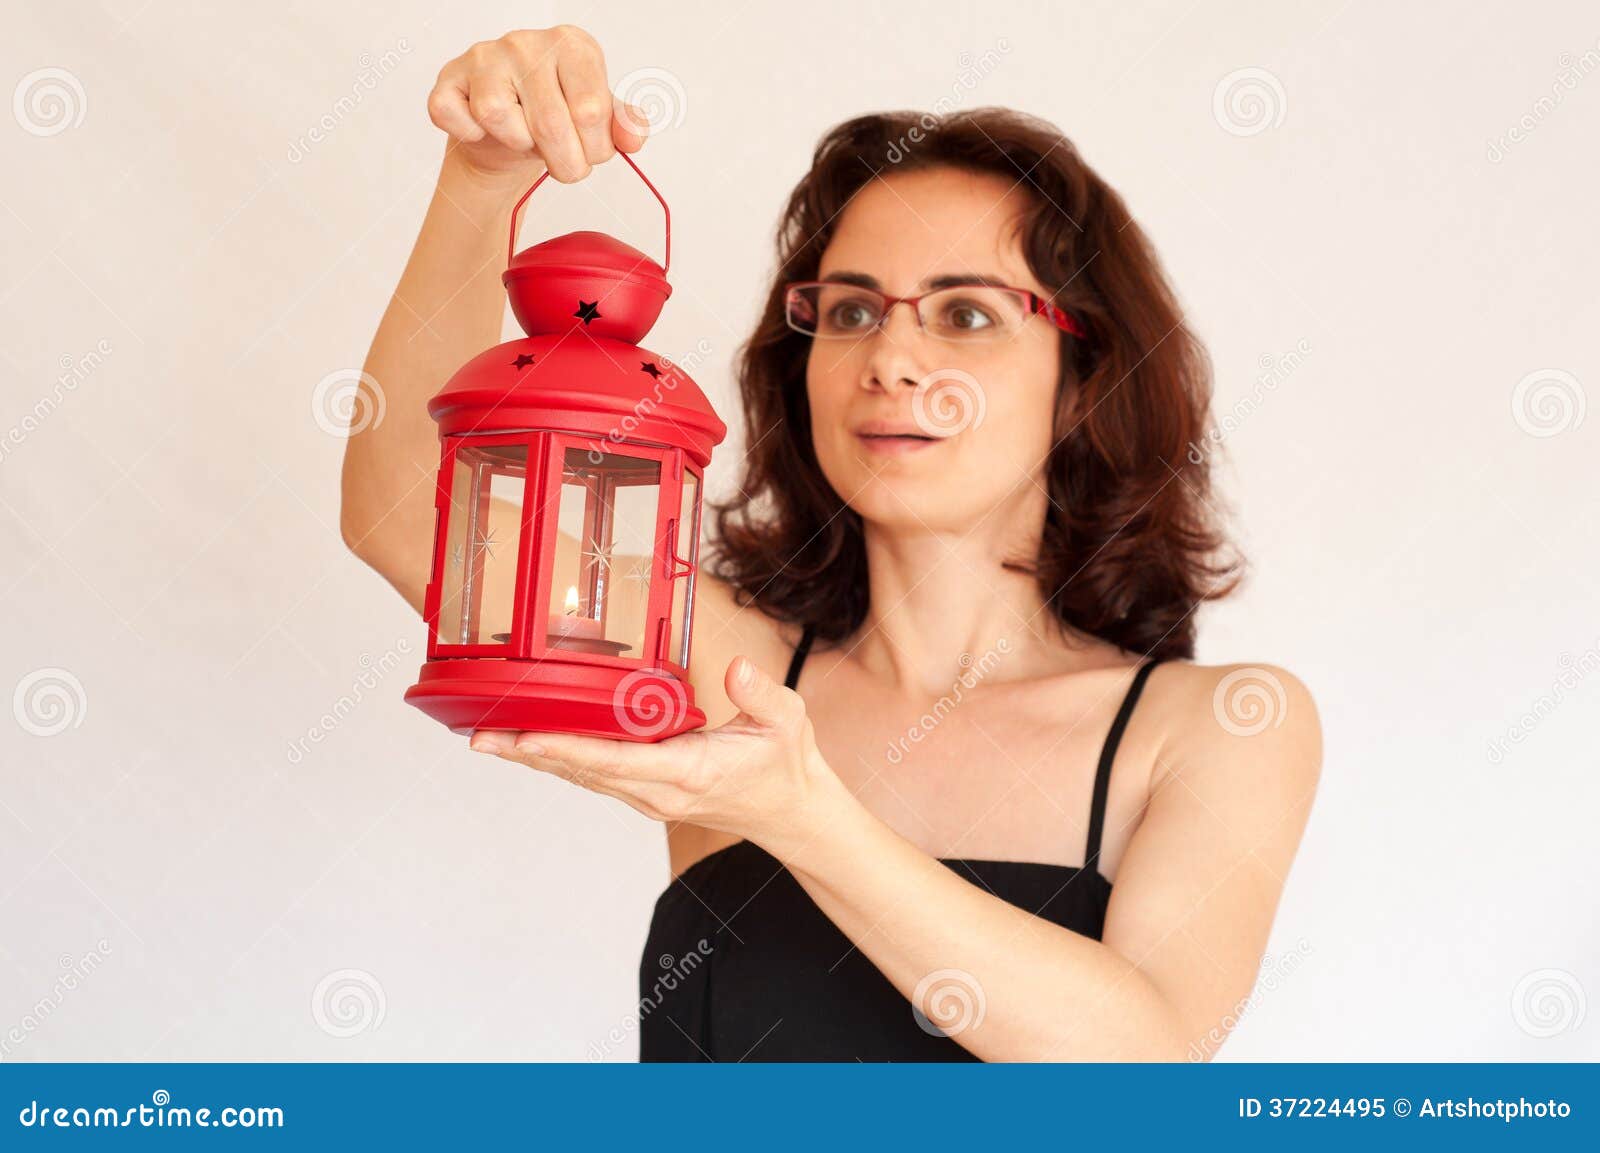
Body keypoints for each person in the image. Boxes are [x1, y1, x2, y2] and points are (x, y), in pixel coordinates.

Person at [340, 25, 1322, 1061]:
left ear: (1085, 378)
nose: (891, 356)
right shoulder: (732, 666)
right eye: (850, 309)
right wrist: (482, 179)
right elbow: (408, 511)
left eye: (966, 315)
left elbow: (1143, 1066)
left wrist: (805, 817)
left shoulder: (1212, 730)